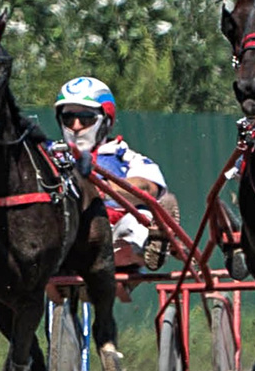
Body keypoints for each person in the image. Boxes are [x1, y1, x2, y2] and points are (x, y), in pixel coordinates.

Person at [54, 76, 179, 271]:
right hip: (63, 235)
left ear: (106, 120)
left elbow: (149, 188)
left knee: (139, 219)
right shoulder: (50, 156)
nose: (76, 126)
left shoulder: (126, 156)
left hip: (112, 237)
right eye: (68, 118)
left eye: (86, 118)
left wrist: (97, 190)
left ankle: (146, 248)